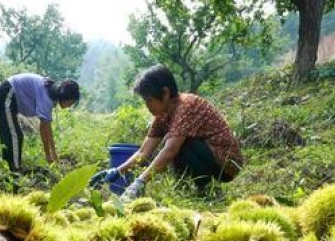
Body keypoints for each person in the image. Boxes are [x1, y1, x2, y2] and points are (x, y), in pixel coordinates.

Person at [91, 65, 243, 202]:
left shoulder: (187, 106)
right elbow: (144, 152)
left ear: (165, 93)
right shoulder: (163, 115)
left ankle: (207, 190)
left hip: (225, 163)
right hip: (206, 157)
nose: (147, 106)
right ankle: (189, 191)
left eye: (149, 100)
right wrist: (117, 171)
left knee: (178, 144)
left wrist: (140, 181)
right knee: (174, 142)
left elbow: (171, 150)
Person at [0, 73, 79, 174]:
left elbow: (48, 127)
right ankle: (15, 171)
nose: (70, 105)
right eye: (71, 102)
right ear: (65, 97)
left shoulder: (52, 93)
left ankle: (8, 167)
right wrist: (48, 156)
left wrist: (54, 153)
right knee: (14, 136)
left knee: (10, 134)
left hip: (9, 98)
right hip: (6, 94)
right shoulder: (47, 98)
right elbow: (43, 128)